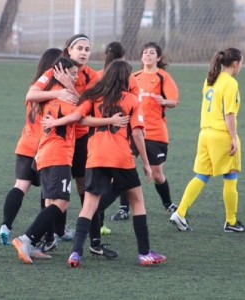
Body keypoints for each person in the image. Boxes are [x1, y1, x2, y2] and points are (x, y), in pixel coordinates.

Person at [42, 60, 167, 268]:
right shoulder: (133, 100)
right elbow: (137, 132)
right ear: (125, 77)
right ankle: (145, 253)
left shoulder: (94, 96)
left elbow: (80, 119)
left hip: (96, 156)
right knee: (137, 201)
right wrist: (146, 162)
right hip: (121, 157)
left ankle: (75, 253)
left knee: (89, 206)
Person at [170, 48, 245, 233]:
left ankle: (180, 213)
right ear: (236, 63)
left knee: (202, 175)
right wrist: (233, 138)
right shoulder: (230, 83)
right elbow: (229, 113)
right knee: (231, 175)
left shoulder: (211, 80)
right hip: (220, 135)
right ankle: (231, 222)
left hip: (205, 134)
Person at [0, 48, 62, 260]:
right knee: (50, 195)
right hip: (42, 148)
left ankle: (6, 225)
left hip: (24, 144)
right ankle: (47, 238)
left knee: (20, 185)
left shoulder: (34, 87)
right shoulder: (52, 91)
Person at [111, 42, 180, 221]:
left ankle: (168, 203)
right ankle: (124, 208)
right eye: (145, 53)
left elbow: (174, 101)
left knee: (157, 174)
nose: (147, 55)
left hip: (156, 132)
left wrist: (164, 101)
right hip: (133, 130)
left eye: (151, 53)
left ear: (158, 58)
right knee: (126, 168)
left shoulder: (163, 77)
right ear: (141, 57)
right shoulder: (133, 76)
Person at [97, 41, 141, 235]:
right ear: (123, 57)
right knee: (126, 186)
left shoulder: (97, 76)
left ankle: (95, 227)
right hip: (121, 141)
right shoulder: (130, 79)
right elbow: (135, 109)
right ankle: (144, 249)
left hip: (94, 142)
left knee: (97, 186)